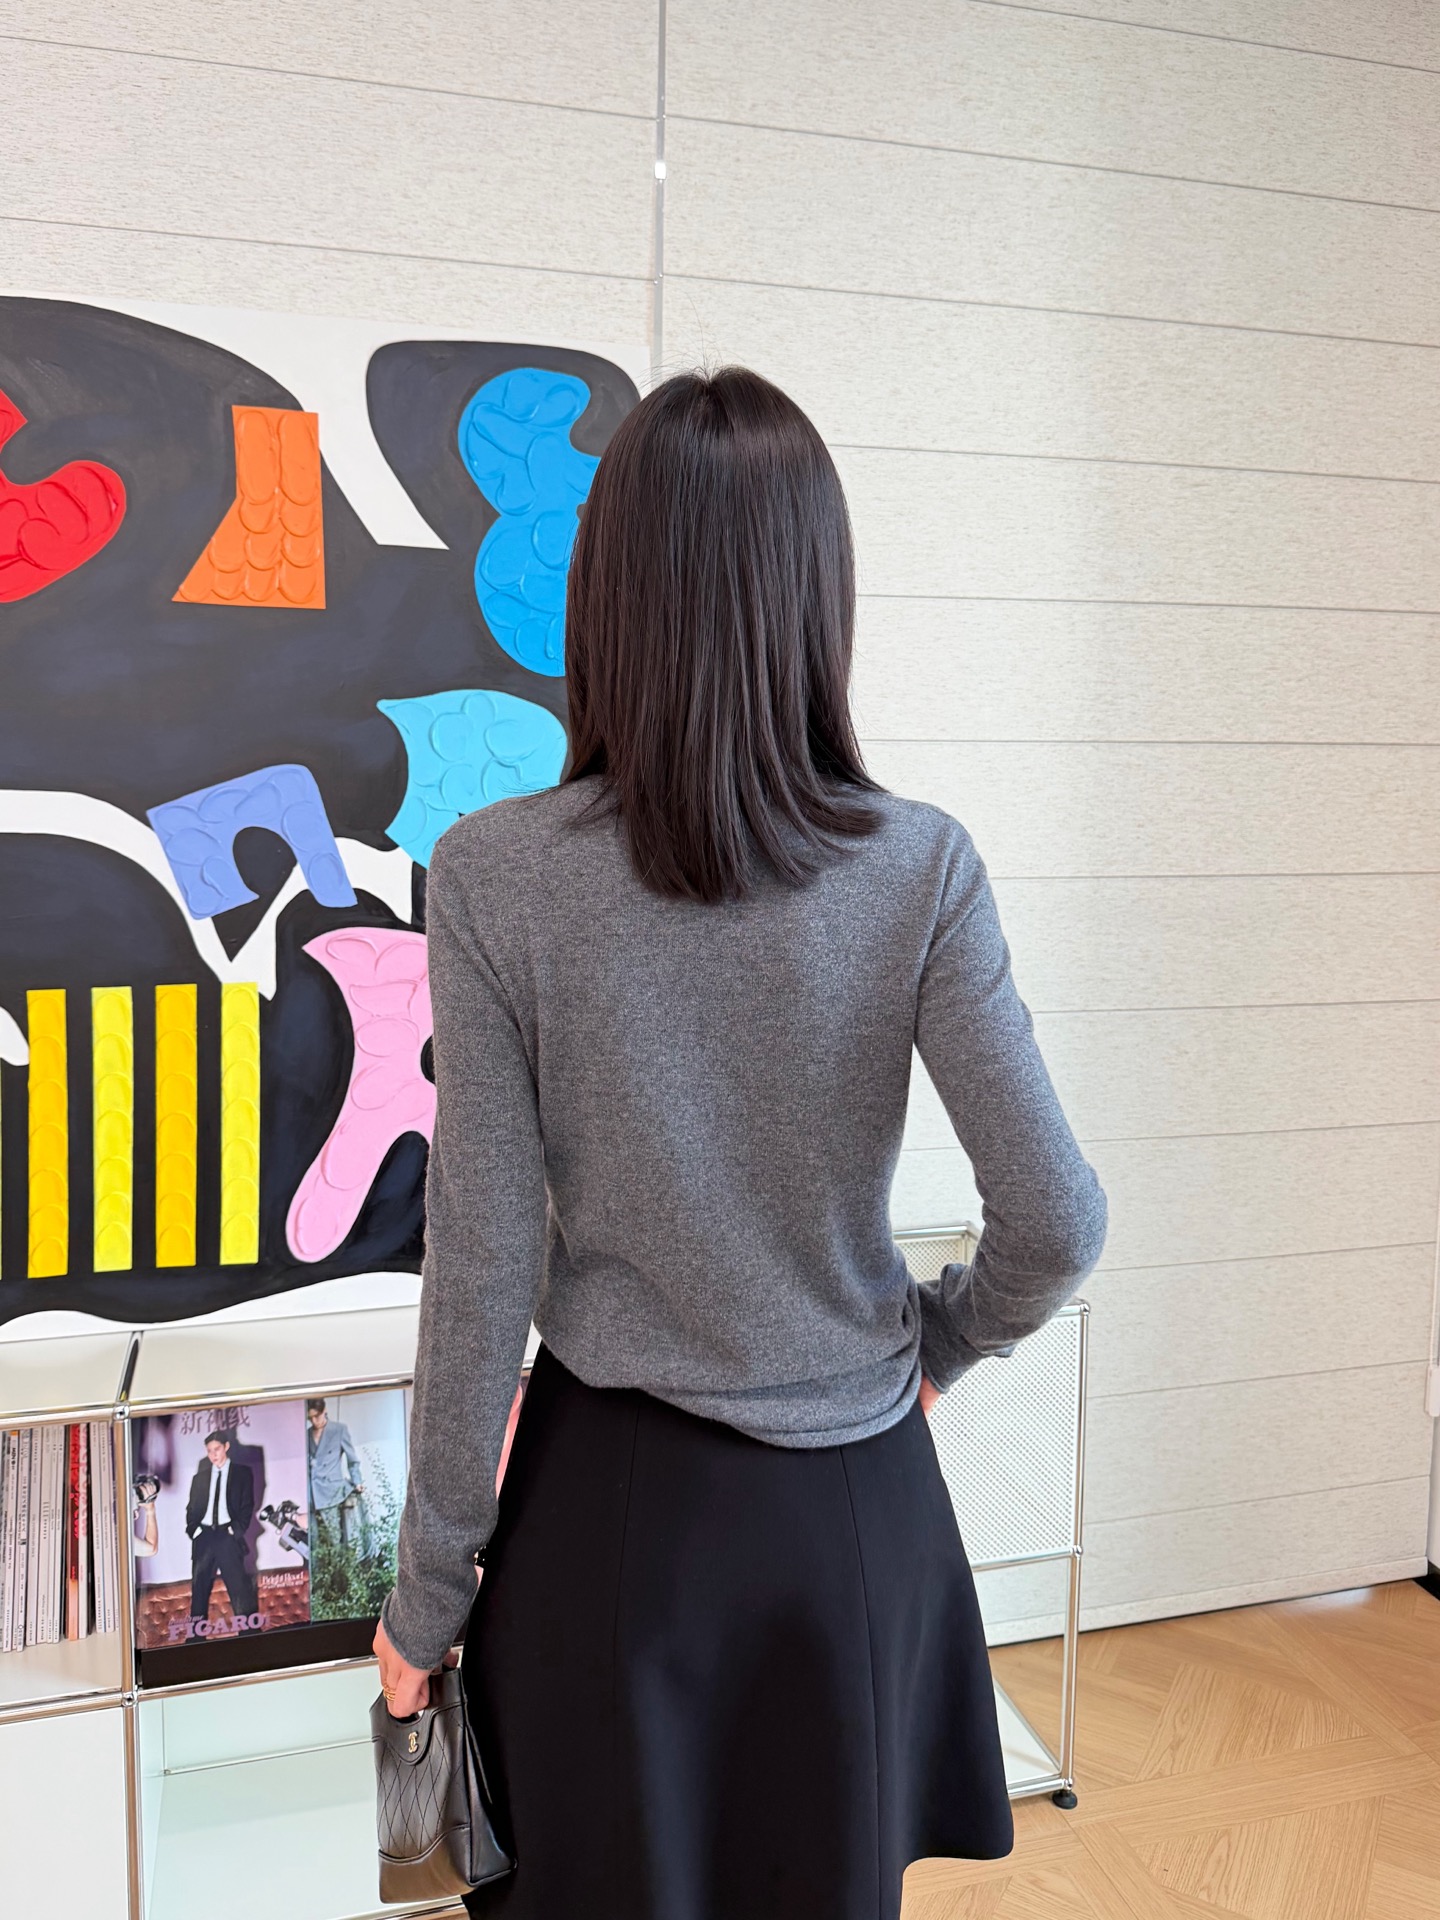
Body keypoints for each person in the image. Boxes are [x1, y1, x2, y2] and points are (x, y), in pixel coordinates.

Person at [375, 367, 1109, 1920]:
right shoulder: (921, 868)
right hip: (858, 1518)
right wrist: (938, 1347)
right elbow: (1057, 1219)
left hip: (610, 1518)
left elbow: (481, 1266)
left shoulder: (496, 873)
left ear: (605, 599)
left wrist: (426, 1596)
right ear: (817, 602)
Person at [185, 1432, 257, 1626]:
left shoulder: (242, 1473)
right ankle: (195, 1639)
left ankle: (249, 1635)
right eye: (209, 1451)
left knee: (239, 1589)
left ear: (226, 1447)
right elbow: (191, 1508)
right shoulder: (199, 1478)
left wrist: (235, 1530)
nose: (213, 1455)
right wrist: (194, 1531)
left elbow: (247, 1506)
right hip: (204, 1537)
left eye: (216, 1449)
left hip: (227, 1536)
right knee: (199, 1591)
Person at [305, 1398, 365, 1550]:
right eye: (310, 1418)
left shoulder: (339, 1430)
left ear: (324, 1410)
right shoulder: (306, 1434)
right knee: (315, 1542)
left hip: (332, 1492)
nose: (314, 1421)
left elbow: (352, 1459)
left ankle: (341, 1564)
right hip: (311, 1494)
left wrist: (357, 1481)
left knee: (335, 1538)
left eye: (316, 1416)